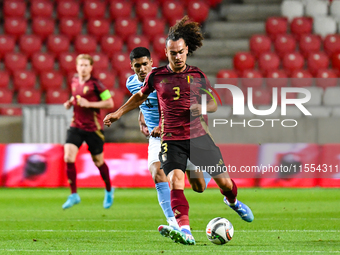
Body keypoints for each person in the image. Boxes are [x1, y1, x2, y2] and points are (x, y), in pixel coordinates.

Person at [104, 16, 254, 245]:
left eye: (180, 52)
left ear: (186, 51)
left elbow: (214, 103)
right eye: (172, 52)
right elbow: (140, 97)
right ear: (166, 52)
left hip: (197, 137)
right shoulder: (157, 76)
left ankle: (233, 202)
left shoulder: (197, 76)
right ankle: (184, 230)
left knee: (210, 185)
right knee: (174, 180)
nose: (177, 56)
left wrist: (201, 106)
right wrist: (119, 113)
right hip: (171, 139)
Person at [126, 47, 211, 231]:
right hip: (157, 139)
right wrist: (141, 117)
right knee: (158, 173)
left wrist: (161, 125)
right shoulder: (131, 83)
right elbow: (142, 100)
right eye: (137, 66)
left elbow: (176, 104)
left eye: (145, 64)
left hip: (179, 132)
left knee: (198, 186)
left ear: (151, 63)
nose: (142, 69)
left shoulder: (164, 80)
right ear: (131, 66)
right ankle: (174, 223)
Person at [62, 54, 114, 210]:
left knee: (98, 162)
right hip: (76, 126)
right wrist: (70, 102)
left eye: (86, 65)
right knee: (68, 156)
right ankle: (74, 195)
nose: (83, 68)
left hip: (93, 128)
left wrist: (89, 103)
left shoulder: (97, 85)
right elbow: (75, 96)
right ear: (76, 67)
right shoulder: (74, 81)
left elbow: (109, 102)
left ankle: (109, 189)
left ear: (91, 67)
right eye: (81, 65)